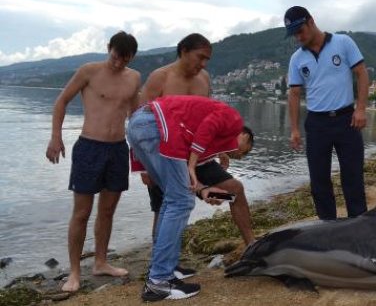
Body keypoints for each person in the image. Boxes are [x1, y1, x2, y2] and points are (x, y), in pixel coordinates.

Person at [137, 33, 255, 279]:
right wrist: (143, 166)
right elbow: (141, 119)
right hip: (165, 154)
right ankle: (164, 266)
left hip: (197, 156)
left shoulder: (204, 78)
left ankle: (252, 247)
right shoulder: (161, 77)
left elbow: (206, 120)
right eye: (200, 57)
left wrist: (219, 150)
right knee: (165, 206)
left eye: (207, 59)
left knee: (235, 188)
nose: (203, 64)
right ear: (183, 51)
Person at [126, 95, 254, 301]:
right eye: (241, 149)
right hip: (154, 125)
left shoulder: (196, 138)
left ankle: (161, 270)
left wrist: (204, 191)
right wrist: (194, 164)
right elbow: (208, 126)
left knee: (173, 198)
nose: (236, 153)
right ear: (243, 135)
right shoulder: (233, 119)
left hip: (139, 125)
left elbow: (183, 176)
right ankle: (158, 281)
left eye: (240, 155)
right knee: (180, 201)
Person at [45, 31, 141, 292]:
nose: (119, 63)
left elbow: (136, 115)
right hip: (89, 147)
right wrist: (56, 138)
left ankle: (100, 262)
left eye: (125, 59)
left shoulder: (133, 77)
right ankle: (74, 272)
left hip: (118, 149)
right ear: (108, 48)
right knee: (82, 212)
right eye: (115, 57)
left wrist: (144, 152)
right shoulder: (89, 71)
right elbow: (62, 101)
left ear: (132, 58)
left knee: (107, 211)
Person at [285, 6, 369, 220]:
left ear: (311, 21)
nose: (298, 37)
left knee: (353, 177)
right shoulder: (297, 59)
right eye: (294, 33)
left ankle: (359, 225)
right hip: (316, 124)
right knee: (319, 181)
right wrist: (294, 129)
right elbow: (294, 93)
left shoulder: (343, 42)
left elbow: (361, 73)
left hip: (346, 120)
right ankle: (327, 228)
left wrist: (360, 109)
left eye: (300, 30)